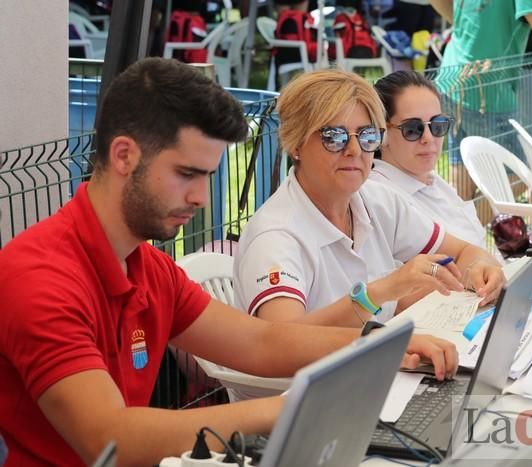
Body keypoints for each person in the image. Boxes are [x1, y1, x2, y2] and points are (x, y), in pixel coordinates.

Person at [0, 58, 458, 466]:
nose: (201, 198)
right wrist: (289, 409)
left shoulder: (146, 266)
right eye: (186, 174)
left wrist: (384, 347)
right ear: (123, 156)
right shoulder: (39, 278)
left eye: (208, 177)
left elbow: (259, 342)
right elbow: (110, 440)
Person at [233, 69, 504, 329]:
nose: (354, 150)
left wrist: (481, 271)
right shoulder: (277, 236)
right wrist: (382, 291)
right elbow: (281, 342)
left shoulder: (376, 201)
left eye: (367, 136)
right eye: (334, 137)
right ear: (295, 144)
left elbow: (466, 252)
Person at [429, 0, 532, 200]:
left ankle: (459, 228)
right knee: (520, 178)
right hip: (488, 91)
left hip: (453, 76)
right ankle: (470, 228)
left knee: (462, 174)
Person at [370, 70, 495, 254]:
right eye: (412, 129)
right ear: (382, 133)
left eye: (438, 125)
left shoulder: (433, 181)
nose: (428, 138)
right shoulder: (381, 198)